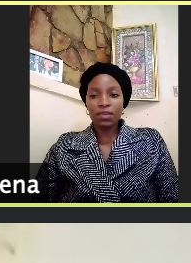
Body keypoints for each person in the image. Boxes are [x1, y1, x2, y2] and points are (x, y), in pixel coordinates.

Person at [38, 61, 178, 202]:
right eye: (94, 95)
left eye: (114, 95)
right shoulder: (65, 145)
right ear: (86, 102)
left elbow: (172, 199)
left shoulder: (151, 141)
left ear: (123, 101)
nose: (104, 102)